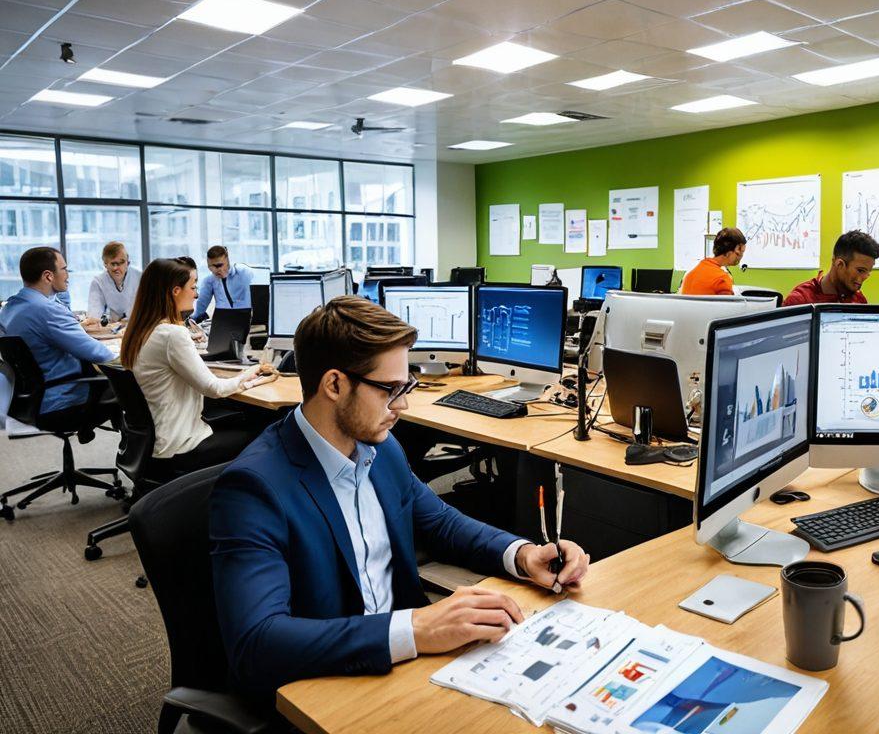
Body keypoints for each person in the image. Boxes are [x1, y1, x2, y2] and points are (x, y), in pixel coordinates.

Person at [210, 296, 590, 697]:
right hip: (328, 684)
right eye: (390, 389)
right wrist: (417, 628)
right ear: (335, 385)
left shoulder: (380, 448)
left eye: (405, 385)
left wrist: (522, 554)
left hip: (408, 664)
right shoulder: (254, 488)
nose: (403, 405)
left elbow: (441, 522)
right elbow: (257, 643)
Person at [120, 258, 272, 479]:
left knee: (240, 419)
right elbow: (214, 389)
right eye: (193, 287)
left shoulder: (141, 331)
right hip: (181, 445)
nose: (197, 294)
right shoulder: (172, 335)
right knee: (264, 432)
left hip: (155, 444)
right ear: (175, 291)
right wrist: (251, 373)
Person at [0, 247, 115, 430]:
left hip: (32, 400)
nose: (67, 275)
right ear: (48, 276)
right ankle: (137, 453)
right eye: (64, 269)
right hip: (62, 400)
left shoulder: (9, 308)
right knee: (130, 387)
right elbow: (99, 354)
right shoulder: (46, 311)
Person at [785, 231, 879, 306]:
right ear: (839, 264)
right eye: (860, 270)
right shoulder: (800, 300)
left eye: (868, 272)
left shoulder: (858, 299)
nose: (865, 277)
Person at [190, 245, 252, 322]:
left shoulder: (244, 273)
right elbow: (200, 308)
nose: (215, 270)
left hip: (248, 321)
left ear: (227, 260)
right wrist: (190, 320)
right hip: (223, 323)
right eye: (211, 266)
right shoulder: (209, 281)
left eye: (219, 265)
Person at [87, 241, 141, 324]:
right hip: (113, 327)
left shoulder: (140, 277)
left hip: (138, 324)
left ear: (127, 262)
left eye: (121, 262)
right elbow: (94, 315)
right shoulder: (98, 282)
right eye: (113, 264)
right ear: (105, 264)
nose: (116, 268)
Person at [680, 228, 746, 295]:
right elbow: (728, 305)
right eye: (742, 251)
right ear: (735, 250)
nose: (741, 255)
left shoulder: (690, 274)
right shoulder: (722, 279)